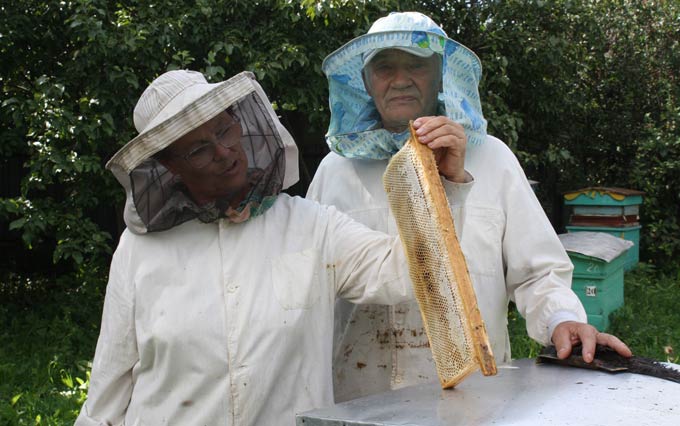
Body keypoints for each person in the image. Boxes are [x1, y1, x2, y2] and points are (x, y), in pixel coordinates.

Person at [74, 69, 465, 425]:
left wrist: (443, 184)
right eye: (198, 149)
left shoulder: (311, 225)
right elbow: (107, 392)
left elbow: (406, 273)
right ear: (169, 166)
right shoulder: (138, 251)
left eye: (225, 131)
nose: (224, 151)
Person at [306, 11, 632, 402]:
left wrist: (562, 320)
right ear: (365, 80)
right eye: (385, 67)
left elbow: (539, 271)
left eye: (416, 65)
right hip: (358, 394)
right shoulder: (335, 170)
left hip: (470, 396)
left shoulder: (492, 158)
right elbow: (307, 285)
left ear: (441, 75)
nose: (400, 79)